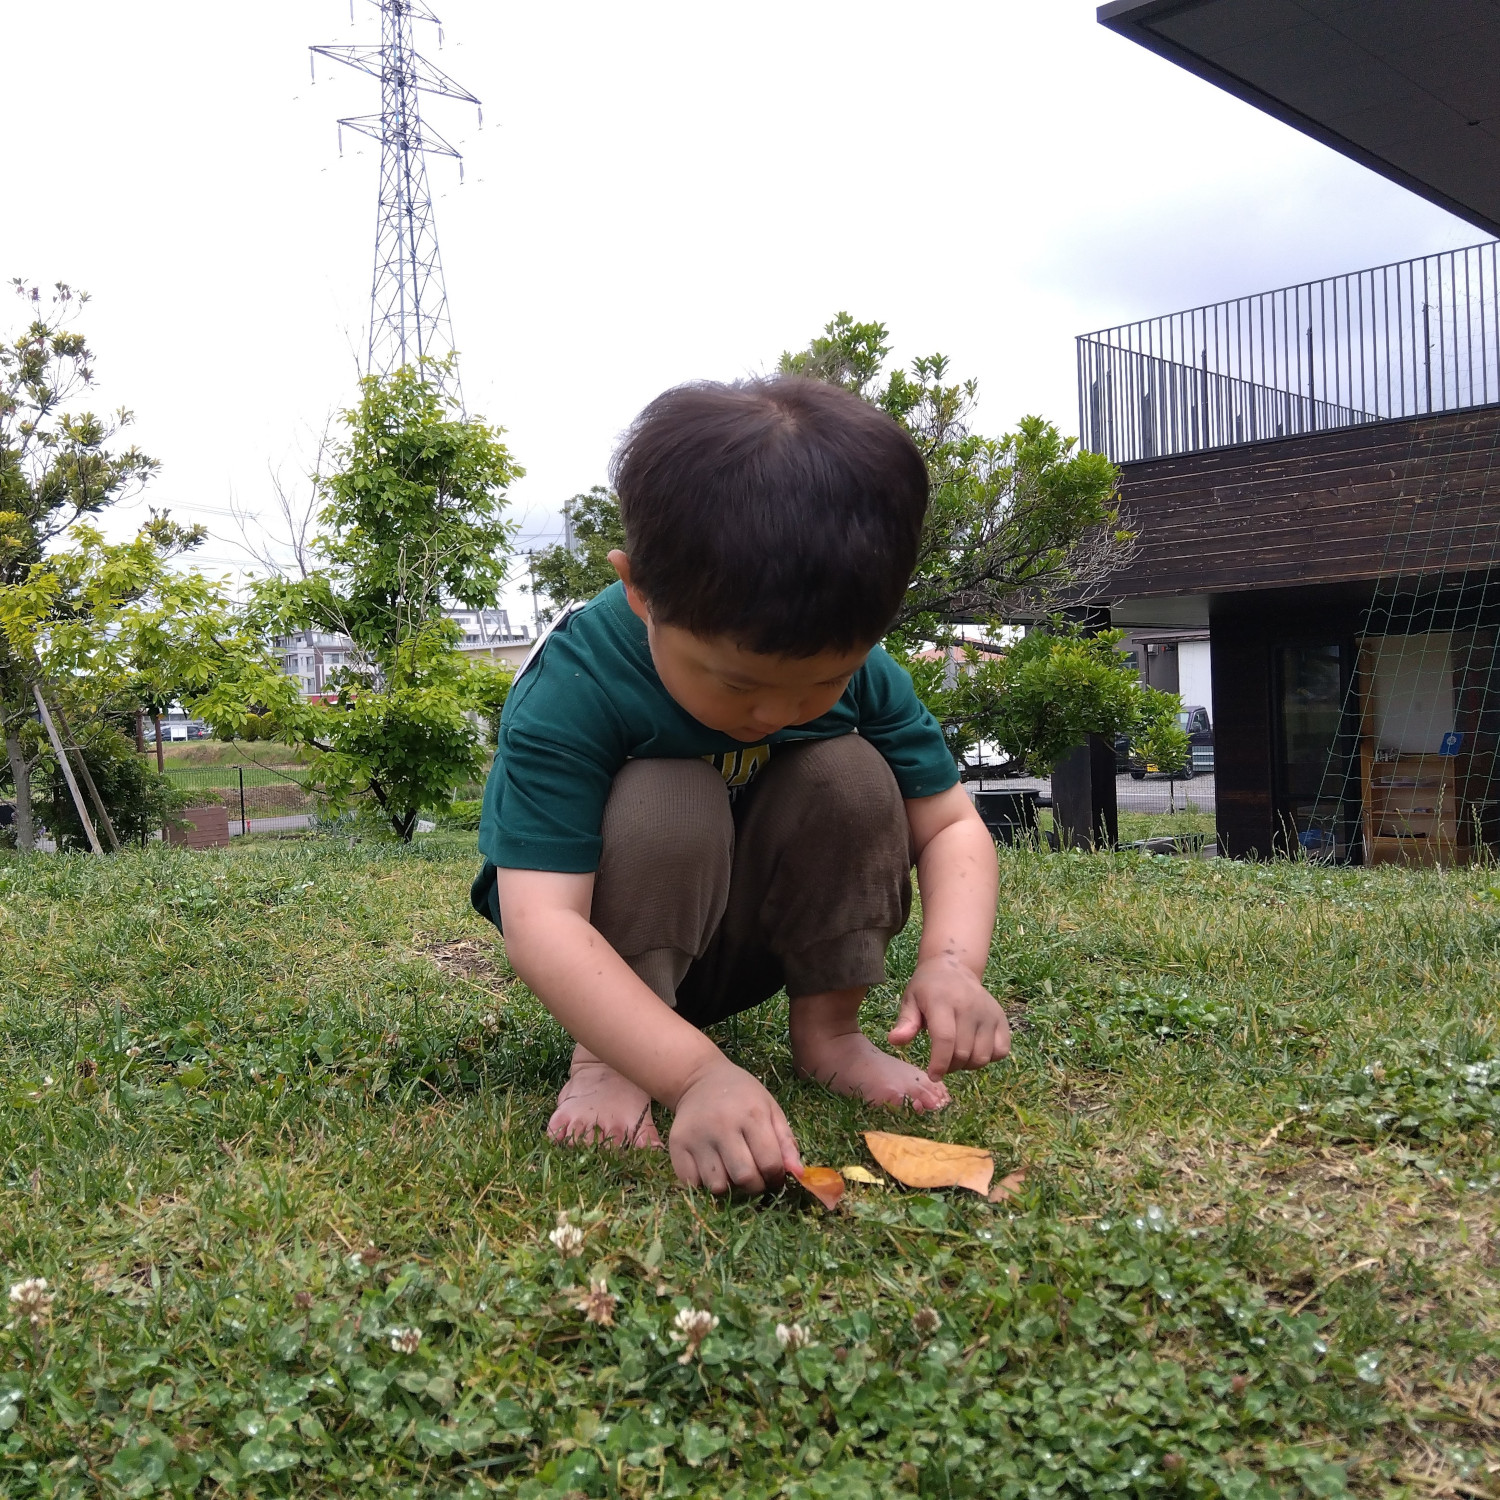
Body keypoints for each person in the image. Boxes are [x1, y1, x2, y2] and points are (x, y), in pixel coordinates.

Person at [471, 376, 1010, 1195]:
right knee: (665, 794)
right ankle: (609, 1060)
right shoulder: (577, 682)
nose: (775, 711)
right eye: (735, 681)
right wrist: (691, 1075)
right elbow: (540, 920)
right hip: (613, 951)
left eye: (822, 682)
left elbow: (949, 827)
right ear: (639, 590)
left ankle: (829, 1032)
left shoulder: (867, 673)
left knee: (853, 771)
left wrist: (952, 963)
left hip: (764, 928)